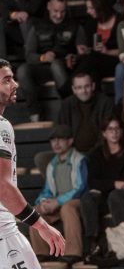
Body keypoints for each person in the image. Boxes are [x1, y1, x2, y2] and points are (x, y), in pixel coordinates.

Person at [0, 59, 66, 268]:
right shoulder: (1, 127)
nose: (16, 84)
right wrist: (42, 225)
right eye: (6, 80)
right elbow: (2, 186)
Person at [17, 0, 83, 122]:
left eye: (62, 11)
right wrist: (43, 58)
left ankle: (70, 108)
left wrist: (75, 57)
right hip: (43, 68)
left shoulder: (76, 26)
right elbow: (29, 55)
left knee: (56, 65)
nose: (59, 15)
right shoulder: (37, 26)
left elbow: (83, 53)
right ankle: (35, 115)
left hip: (66, 68)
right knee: (22, 70)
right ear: (48, 6)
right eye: (55, 11)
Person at [80, 116, 124, 261]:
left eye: (117, 128)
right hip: (105, 196)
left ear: (122, 131)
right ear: (104, 133)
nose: (114, 132)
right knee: (88, 198)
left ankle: (123, 240)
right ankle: (93, 242)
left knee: (115, 195)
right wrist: (113, 184)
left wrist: (108, 185)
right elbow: (92, 182)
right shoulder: (96, 154)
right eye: (110, 129)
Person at [31, 125, 87, 264]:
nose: (56, 143)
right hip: (58, 202)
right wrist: (42, 202)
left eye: (60, 140)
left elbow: (81, 187)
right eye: (53, 140)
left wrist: (58, 202)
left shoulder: (80, 160)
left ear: (70, 141)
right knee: (34, 210)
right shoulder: (52, 165)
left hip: (78, 200)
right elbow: (48, 190)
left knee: (67, 207)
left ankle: (73, 252)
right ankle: (42, 253)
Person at [56, 72, 114, 155]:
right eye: (79, 88)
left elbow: (106, 135)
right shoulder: (67, 104)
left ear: (93, 86)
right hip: (73, 154)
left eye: (87, 86)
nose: (84, 91)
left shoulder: (105, 103)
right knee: (41, 158)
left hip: (99, 154)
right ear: (74, 89)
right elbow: (62, 133)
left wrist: (92, 154)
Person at [72, 0, 121, 84]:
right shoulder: (91, 22)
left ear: (99, 7)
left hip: (115, 61)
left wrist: (107, 51)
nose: (88, 11)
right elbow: (91, 48)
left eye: (90, 8)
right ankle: (94, 98)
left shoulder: (120, 21)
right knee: (93, 74)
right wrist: (85, 49)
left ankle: (68, 89)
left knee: (91, 60)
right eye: (87, 8)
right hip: (96, 63)